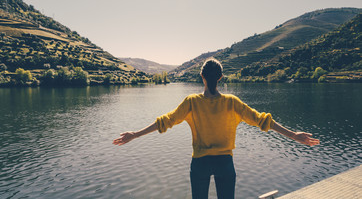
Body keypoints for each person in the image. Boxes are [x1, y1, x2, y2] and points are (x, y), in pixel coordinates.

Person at [113, 58, 320, 199]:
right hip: (225, 164)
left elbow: (165, 121)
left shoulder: (191, 102)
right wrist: (293, 135)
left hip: (200, 164)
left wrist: (135, 134)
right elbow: (262, 120)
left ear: (202, 76)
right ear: (220, 78)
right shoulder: (232, 103)